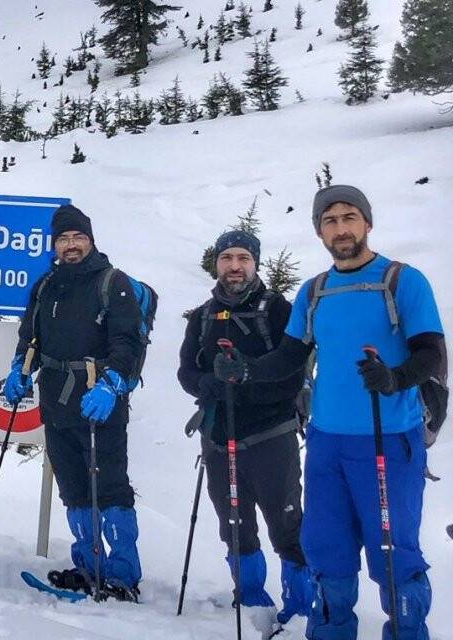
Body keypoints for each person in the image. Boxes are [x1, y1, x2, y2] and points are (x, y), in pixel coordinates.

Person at [213, 185, 441, 640]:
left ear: (367, 224)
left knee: (393, 552)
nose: (341, 228)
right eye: (330, 220)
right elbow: (289, 356)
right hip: (325, 441)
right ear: (320, 231)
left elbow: (431, 352)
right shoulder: (314, 291)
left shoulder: (402, 281)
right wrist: (245, 371)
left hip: (388, 438)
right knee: (326, 547)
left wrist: (395, 378)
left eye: (349, 217)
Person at [2, 204, 144, 602]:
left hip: (101, 402)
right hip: (57, 402)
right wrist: (19, 370)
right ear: (54, 245)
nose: (70, 245)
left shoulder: (113, 283)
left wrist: (112, 385)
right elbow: (29, 337)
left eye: (77, 238)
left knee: (110, 487)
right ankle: (88, 565)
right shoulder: (46, 286)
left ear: (91, 241)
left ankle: (122, 574)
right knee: (74, 487)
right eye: (63, 239)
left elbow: (127, 342)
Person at [177, 230, 313, 627]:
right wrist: (212, 385)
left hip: (272, 434)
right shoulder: (203, 315)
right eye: (227, 258)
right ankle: (251, 600)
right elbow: (186, 371)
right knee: (234, 524)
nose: (234, 266)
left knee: (286, 522)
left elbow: (292, 372)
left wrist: (246, 379)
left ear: (255, 263)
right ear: (216, 263)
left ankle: (301, 607)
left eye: (242, 258)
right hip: (220, 435)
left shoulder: (277, 310)